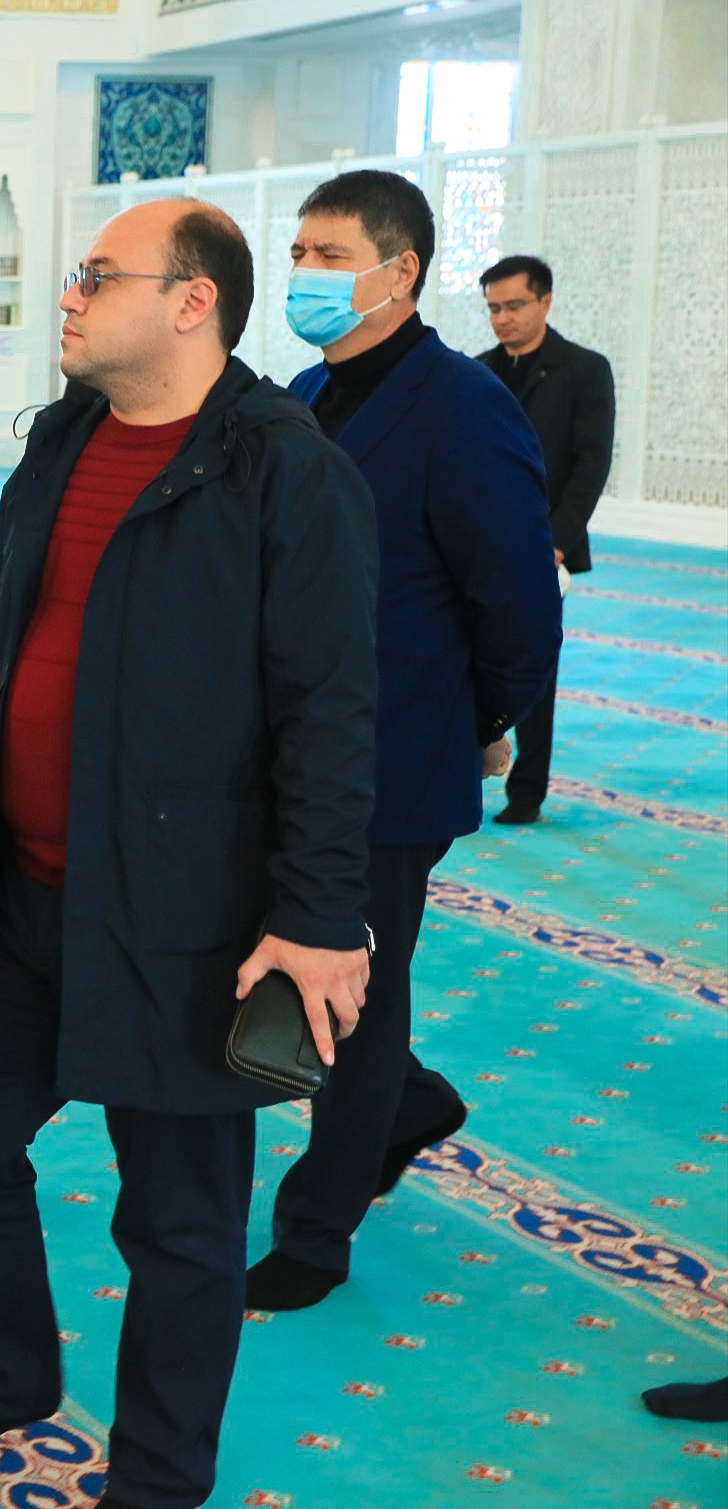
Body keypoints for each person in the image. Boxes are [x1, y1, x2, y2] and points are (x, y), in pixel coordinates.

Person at [0, 199, 378, 1509]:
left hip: (183, 914)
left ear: (190, 301)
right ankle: (8, 1377)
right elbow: (4, 655)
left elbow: (331, 712)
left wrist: (318, 915)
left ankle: (161, 1477)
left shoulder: (285, 469)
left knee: (177, 1219)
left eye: (97, 276)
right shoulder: (62, 440)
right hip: (23, 891)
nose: (69, 296)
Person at [249, 172, 562, 1312]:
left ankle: (318, 1229)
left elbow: (519, 600)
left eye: (329, 255)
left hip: (395, 756)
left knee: (357, 996)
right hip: (290, 755)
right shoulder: (305, 395)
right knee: (300, 962)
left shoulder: (461, 404)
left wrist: (475, 724)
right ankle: (412, 1104)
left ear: (402, 269)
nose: (305, 273)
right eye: (299, 252)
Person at [478, 253, 615, 826]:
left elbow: (591, 464)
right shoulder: (478, 372)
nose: (502, 319)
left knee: (535, 667)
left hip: (543, 549)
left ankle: (527, 792)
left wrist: (554, 541)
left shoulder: (584, 370)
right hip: (481, 544)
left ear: (545, 301)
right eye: (493, 309)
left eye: (514, 306)